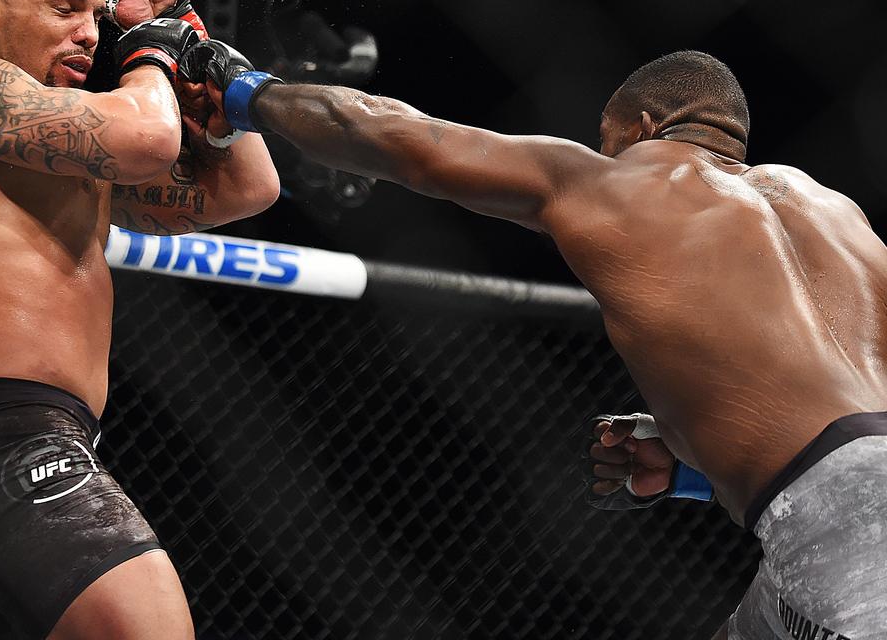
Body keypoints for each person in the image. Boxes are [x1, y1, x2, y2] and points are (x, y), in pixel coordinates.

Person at [182, 41, 887, 638]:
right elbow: (854, 446)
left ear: (640, 127)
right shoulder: (839, 215)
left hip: (841, 543)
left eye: (610, 142)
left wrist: (242, 88)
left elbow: (402, 138)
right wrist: (693, 470)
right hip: (830, 523)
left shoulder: (616, 181)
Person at [0, 0, 279, 640]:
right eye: (66, 7)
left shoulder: (65, 152)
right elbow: (150, 135)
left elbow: (247, 189)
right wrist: (152, 52)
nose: (92, 33)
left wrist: (187, 26)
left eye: (98, 13)